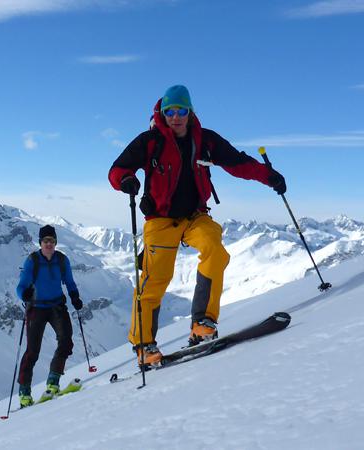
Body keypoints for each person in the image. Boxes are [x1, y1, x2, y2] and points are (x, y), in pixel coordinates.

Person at [108, 85, 286, 366]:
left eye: (181, 110)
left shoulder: (205, 140)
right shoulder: (150, 141)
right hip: (161, 219)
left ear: (190, 112)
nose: (176, 116)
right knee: (154, 279)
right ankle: (143, 345)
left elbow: (238, 163)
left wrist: (269, 176)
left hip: (194, 216)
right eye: (170, 111)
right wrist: (126, 181)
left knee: (214, 245)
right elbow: (117, 170)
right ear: (162, 113)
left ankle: (203, 322)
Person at [14, 224, 82, 407]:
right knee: (32, 351)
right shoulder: (32, 261)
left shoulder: (62, 260)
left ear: (55, 242)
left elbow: (69, 281)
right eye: (45, 241)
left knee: (66, 341)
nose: (49, 244)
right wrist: (24, 295)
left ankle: (53, 381)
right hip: (36, 308)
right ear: (40, 243)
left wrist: (75, 296)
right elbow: (20, 287)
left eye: (52, 241)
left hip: (56, 306)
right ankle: (24, 393)